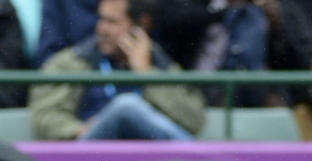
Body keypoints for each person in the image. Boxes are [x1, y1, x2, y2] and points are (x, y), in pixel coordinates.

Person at [29, 0, 205, 141]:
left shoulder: (162, 65)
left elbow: (193, 120)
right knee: (125, 107)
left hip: (151, 158)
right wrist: (77, 129)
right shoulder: (74, 62)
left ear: (141, 25)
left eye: (112, 22)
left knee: (128, 107)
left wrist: (147, 74)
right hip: (92, 154)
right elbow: (45, 116)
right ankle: (198, 157)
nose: (102, 29)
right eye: (101, 19)